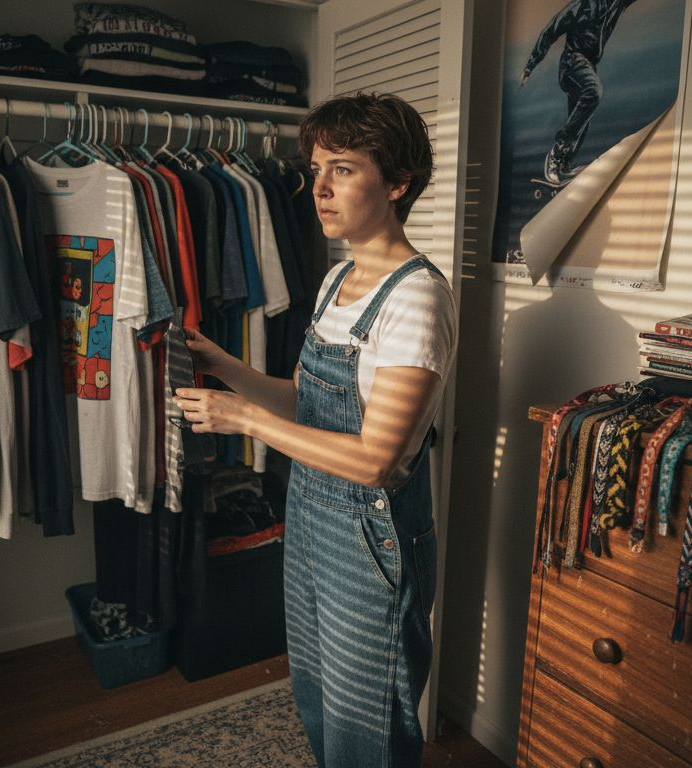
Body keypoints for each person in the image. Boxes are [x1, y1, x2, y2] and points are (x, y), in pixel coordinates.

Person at [174, 92, 458, 767]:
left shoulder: (418, 298)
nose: (320, 188)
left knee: (367, 726)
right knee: (319, 697)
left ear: (396, 184)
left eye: (344, 169)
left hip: (369, 530)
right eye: (317, 168)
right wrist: (224, 368)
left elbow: (376, 461)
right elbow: (307, 401)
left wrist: (243, 419)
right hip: (311, 514)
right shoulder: (337, 281)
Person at [518, 0, 639, 183]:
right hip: (571, 63)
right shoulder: (580, 6)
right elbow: (550, 30)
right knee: (593, 91)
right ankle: (557, 152)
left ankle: (563, 165)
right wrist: (529, 66)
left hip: (588, 66)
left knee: (582, 119)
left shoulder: (616, 4)